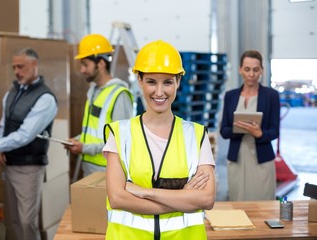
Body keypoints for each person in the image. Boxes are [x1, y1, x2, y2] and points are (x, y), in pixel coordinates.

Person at [102, 40, 215, 239]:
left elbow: (206, 198)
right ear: (139, 80)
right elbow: (118, 198)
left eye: (168, 82)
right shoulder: (119, 133)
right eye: (151, 82)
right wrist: (182, 197)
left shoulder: (196, 136)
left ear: (178, 82)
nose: (160, 92)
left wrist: (146, 192)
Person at [0, 48, 58, 240]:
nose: (16, 71)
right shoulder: (12, 93)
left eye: (20, 66)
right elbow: (3, 125)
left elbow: (25, 135)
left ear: (34, 65)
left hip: (29, 168)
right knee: (13, 220)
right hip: (9, 164)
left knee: (26, 222)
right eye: (14, 67)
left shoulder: (45, 99)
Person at [65, 33, 133, 177]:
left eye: (85, 64)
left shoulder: (119, 95)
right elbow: (93, 131)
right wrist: (78, 140)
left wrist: (84, 148)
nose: (82, 70)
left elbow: (121, 140)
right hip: (89, 168)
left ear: (101, 64)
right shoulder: (94, 92)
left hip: (107, 171)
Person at [220, 50, 280, 201]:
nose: (251, 74)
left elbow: (274, 130)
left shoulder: (271, 96)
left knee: (264, 205)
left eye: (255, 69)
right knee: (237, 202)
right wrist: (237, 128)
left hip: (262, 160)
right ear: (240, 70)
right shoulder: (231, 96)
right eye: (247, 69)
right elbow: (223, 130)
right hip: (237, 159)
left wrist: (259, 133)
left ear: (262, 71)